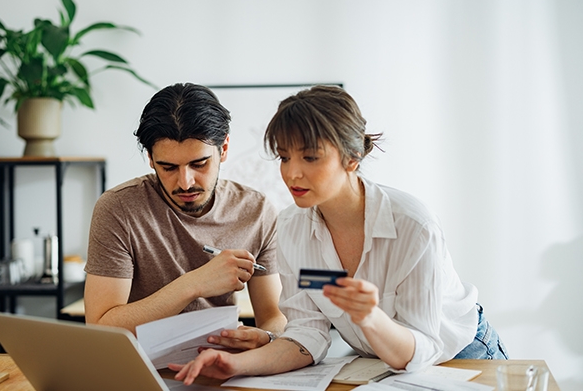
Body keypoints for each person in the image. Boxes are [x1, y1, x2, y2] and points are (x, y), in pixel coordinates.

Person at [171, 85, 508, 384]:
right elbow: (307, 335)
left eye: (310, 157)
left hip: (462, 358)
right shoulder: (290, 226)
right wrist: (235, 364)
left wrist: (370, 317)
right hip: (380, 367)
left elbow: (421, 347)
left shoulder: (413, 226)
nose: (291, 173)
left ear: (353, 157)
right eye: (284, 157)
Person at [84, 83, 286, 350]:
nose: (186, 182)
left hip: (221, 367)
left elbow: (273, 316)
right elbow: (101, 328)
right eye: (168, 167)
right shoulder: (118, 209)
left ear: (223, 148)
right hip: (141, 370)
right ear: (150, 158)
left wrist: (267, 336)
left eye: (199, 164)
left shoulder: (256, 211)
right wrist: (194, 284)